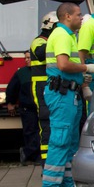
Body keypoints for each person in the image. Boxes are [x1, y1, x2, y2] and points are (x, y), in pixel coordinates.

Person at [41, 3, 94, 187]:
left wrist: (82, 82)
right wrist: (86, 68)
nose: (81, 18)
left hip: (68, 93)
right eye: (78, 15)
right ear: (66, 16)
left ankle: (64, 185)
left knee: (70, 140)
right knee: (61, 139)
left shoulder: (68, 35)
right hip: (62, 94)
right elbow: (63, 64)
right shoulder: (62, 35)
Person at [30, 12, 57, 163]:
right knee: (46, 125)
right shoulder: (38, 41)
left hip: (51, 87)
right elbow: (41, 53)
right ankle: (46, 163)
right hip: (41, 88)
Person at [5, 51, 40, 166]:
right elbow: (12, 89)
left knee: (39, 131)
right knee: (30, 131)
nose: (27, 60)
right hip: (27, 107)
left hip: (40, 108)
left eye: (29, 58)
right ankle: (32, 155)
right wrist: (10, 102)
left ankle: (30, 153)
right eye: (25, 58)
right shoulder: (21, 73)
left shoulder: (41, 71)